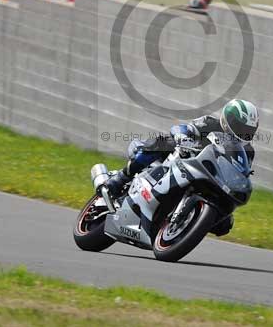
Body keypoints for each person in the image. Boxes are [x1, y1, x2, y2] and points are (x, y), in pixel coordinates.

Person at [105, 99, 259, 234]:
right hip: (183, 159)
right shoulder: (209, 123)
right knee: (164, 142)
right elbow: (182, 128)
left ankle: (187, 223)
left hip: (212, 178)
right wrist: (182, 137)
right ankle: (122, 177)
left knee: (225, 224)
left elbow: (240, 172)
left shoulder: (247, 151)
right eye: (240, 127)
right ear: (227, 120)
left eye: (248, 131)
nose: (243, 133)